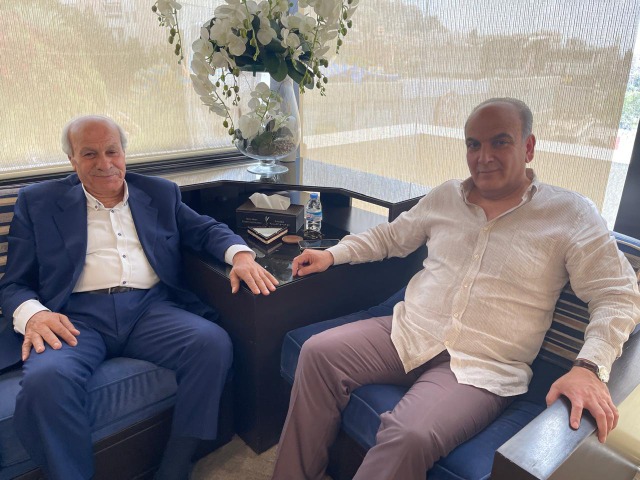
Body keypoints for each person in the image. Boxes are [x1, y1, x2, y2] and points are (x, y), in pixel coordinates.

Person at [271, 98, 640, 480]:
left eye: (500, 142)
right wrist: (333, 254)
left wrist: (589, 367)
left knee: (410, 434)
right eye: (474, 144)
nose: (484, 157)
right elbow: (391, 237)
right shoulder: (447, 195)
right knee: (317, 353)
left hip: (484, 365)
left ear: (528, 147)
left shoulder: (570, 213)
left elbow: (618, 294)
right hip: (409, 330)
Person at [0, 115, 279, 480]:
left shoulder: (159, 192)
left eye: (112, 151)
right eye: (89, 153)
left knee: (211, 344)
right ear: (72, 160)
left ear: (124, 152)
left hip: (149, 309)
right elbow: (14, 284)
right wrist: (35, 315)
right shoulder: (38, 202)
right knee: (45, 381)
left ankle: (176, 467)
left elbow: (205, 230)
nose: (104, 163)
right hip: (74, 316)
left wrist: (241, 256)